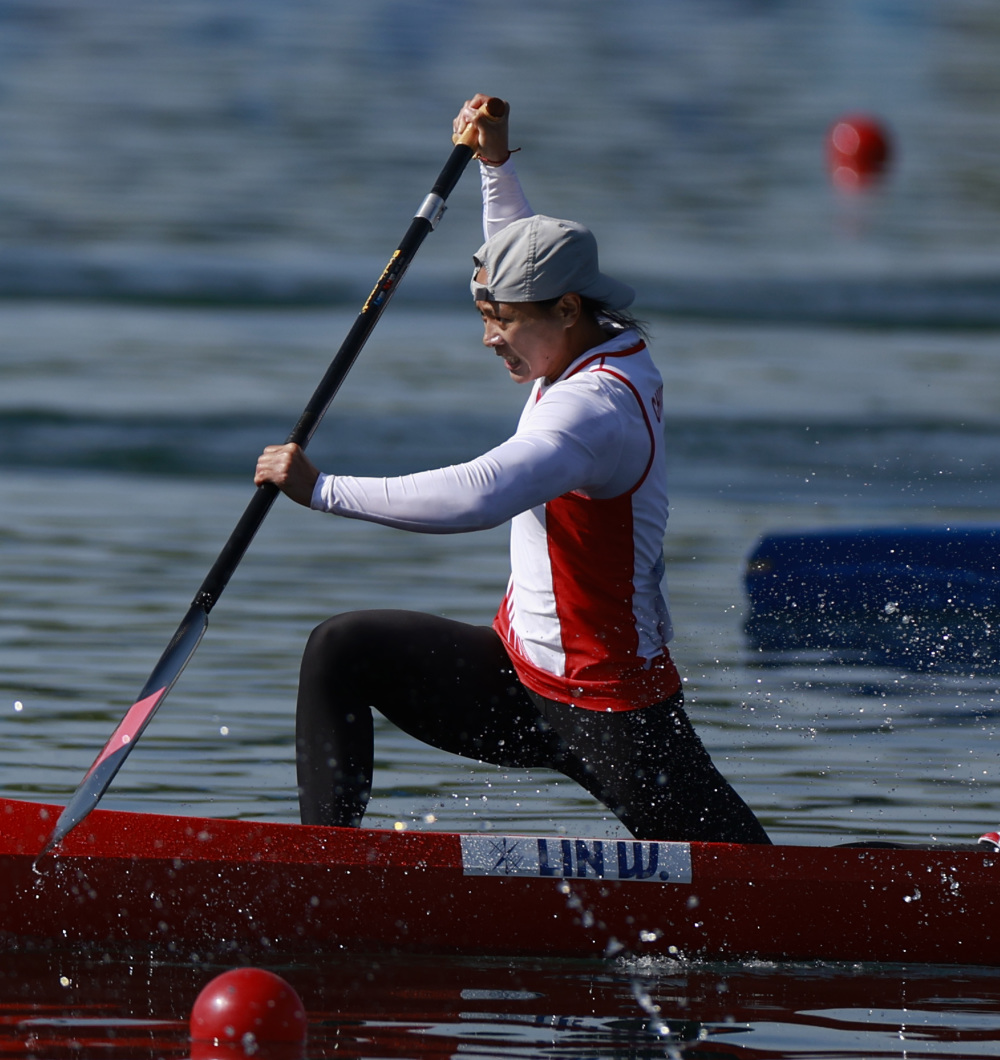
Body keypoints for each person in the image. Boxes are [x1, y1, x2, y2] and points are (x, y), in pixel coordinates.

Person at [254, 94, 770, 845]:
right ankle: (327, 872)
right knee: (342, 648)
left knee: (747, 884)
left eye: (502, 321)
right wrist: (494, 164)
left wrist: (324, 490)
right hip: (515, 674)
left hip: (609, 707)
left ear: (567, 310)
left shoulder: (596, 410)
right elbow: (518, 250)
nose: (490, 339)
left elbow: (482, 493)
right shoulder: (572, 339)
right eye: (483, 316)